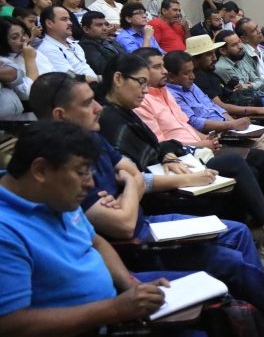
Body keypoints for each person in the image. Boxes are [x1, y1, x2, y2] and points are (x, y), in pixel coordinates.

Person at [28, 74, 264, 334]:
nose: (96, 108)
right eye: (87, 103)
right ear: (60, 115)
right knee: (230, 259)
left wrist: (131, 183)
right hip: (136, 241)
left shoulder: (90, 138)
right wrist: (132, 185)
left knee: (235, 231)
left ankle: (261, 313)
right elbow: (122, 220)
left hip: (140, 222)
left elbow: (128, 168)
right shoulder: (59, 168)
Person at [98, 52, 264, 244]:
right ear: (118, 79)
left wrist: (169, 153)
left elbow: (163, 141)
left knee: (259, 158)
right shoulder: (115, 118)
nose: (145, 89)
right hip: (173, 178)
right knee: (244, 162)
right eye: (141, 81)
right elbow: (136, 172)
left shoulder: (134, 106)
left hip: (185, 156)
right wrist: (185, 164)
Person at [0, 121, 184, 336]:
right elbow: (11, 324)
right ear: (40, 170)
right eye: (82, 173)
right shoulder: (6, 230)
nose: (89, 184)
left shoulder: (54, 195)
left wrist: (130, 285)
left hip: (115, 309)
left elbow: (96, 241)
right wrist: (114, 310)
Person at [164, 50, 264, 169]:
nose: (192, 76)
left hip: (228, 127)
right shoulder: (172, 94)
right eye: (186, 73)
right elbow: (193, 121)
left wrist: (233, 123)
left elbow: (214, 107)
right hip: (213, 134)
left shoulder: (192, 84)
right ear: (171, 77)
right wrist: (230, 124)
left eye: (192, 71)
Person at [0, 17, 53, 102]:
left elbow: (53, 72)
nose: (24, 39)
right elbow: (28, 93)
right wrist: (30, 60)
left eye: (24, 33)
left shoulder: (31, 51)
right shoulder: (5, 63)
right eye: (15, 37)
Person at [37, 5, 97, 81]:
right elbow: (70, 76)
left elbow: (84, 68)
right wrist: (98, 80)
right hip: (78, 89)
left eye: (69, 19)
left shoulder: (74, 44)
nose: (70, 23)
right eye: (64, 19)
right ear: (49, 23)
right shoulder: (47, 49)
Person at [78, 10, 126, 76]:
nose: (105, 28)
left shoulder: (108, 40)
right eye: (99, 25)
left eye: (105, 24)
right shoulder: (86, 46)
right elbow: (104, 69)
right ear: (86, 29)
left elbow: (127, 56)